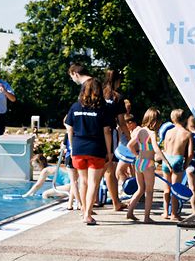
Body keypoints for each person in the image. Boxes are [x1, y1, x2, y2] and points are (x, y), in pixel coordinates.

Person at [65, 78, 113, 226]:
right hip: (96, 148)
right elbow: (107, 131)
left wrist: (72, 147)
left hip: (78, 148)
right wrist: (109, 151)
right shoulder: (102, 108)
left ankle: (84, 210)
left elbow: (69, 127)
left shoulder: (75, 107)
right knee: (93, 182)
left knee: (83, 182)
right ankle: (87, 213)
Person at [125, 108, 173, 223]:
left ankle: (129, 212)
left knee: (140, 189)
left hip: (139, 162)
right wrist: (165, 161)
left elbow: (129, 146)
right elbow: (156, 149)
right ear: (155, 121)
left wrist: (136, 155)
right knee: (149, 191)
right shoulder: (152, 133)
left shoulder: (140, 131)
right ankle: (147, 217)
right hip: (148, 164)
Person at [102, 69, 129, 211]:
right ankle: (115, 202)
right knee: (109, 169)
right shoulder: (117, 97)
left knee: (94, 168)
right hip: (110, 133)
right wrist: (130, 138)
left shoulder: (97, 93)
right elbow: (122, 122)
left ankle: (90, 203)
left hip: (95, 132)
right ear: (117, 81)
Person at [162, 109, 194, 220]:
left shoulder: (168, 132)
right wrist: (186, 165)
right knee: (175, 189)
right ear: (185, 119)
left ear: (173, 119)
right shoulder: (187, 134)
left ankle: (165, 212)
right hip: (178, 159)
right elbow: (190, 153)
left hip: (167, 159)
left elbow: (165, 148)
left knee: (167, 188)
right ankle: (174, 214)